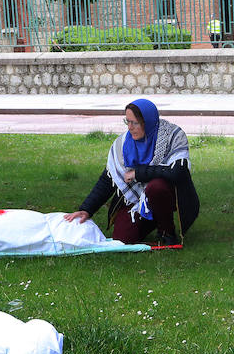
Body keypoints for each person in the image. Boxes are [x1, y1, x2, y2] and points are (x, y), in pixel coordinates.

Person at [64, 99, 199, 246]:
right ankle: (153, 218)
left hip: (166, 195)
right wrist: (86, 209)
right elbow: (108, 179)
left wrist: (138, 173)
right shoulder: (122, 144)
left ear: (147, 122)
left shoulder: (173, 136)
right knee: (123, 239)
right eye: (127, 121)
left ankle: (167, 231)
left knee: (156, 187)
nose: (130, 127)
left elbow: (177, 172)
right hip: (136, 199)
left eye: (135, 123)